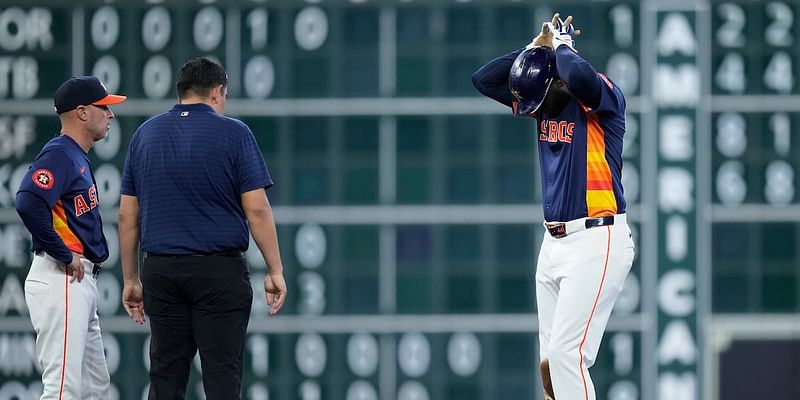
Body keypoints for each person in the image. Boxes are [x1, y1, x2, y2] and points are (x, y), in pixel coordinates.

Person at [472, 14, 635, 400]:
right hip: (554, 244)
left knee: (566, 355)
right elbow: (485, 79)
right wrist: (536, 48)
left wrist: (562, 46)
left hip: (598, 238)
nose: (533, 107)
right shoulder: (545, 98)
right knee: (550, 368)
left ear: (558, 78)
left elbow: (579, 77)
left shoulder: (602, 101)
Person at [118, 57, 287, 400]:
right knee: (222, 378)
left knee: (165, 376)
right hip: (218, 271)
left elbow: (127, 217)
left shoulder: (145, 135)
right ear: (217, 92)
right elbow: (256, 208)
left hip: (161, 271)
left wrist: (131, 279)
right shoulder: (235, 133)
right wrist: (275, 270)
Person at [15, 76, 126, 398]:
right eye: (104, 107)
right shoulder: (61, 153)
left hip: (75, 282)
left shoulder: (75, 154)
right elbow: (28, 200)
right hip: (60, 277)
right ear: (82, 112)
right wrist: (62, 252)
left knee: (95, 387)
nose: (111, 114)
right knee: (64, 387)